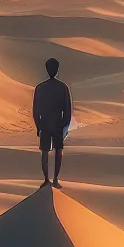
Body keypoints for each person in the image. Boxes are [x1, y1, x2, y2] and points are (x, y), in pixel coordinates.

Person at [32, 58, 72, 188]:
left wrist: (38, 125)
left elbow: (35, 109)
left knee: (45, 151)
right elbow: (67, 110)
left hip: (45, 123)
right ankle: (54, 179)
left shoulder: (40, 88)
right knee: (57, 151)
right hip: (57, 124)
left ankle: (47, 179)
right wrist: (65, 127)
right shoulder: (62, 87)